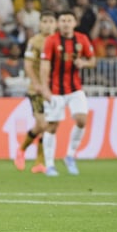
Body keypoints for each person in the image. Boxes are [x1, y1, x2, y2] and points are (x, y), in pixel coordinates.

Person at [39, 10, 97, 177]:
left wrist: (84, 63)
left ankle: (70, 156)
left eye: (69, 20)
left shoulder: (82, 39)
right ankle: (50, 165)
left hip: (75, 89)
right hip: (55, 90)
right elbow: (44, 66)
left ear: (75, 23)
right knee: (52, 126)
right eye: (63, 20)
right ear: (58, 23)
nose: (66, 23)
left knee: (81, 120)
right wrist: (45, 89)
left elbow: (93, 60)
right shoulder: (51, 40)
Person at [14, 12, 57, 173]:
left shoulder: (59, 41)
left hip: (54, 90)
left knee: (44, 126)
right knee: (44, 124)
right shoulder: (34, 41)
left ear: (55, 24)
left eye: (51, 21)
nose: (48, 24)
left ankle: (25, 152)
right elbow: (28, 65)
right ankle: (35, 159)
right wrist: (37, 84)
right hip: (36, 90)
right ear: (40, 24)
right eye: (45, 21)